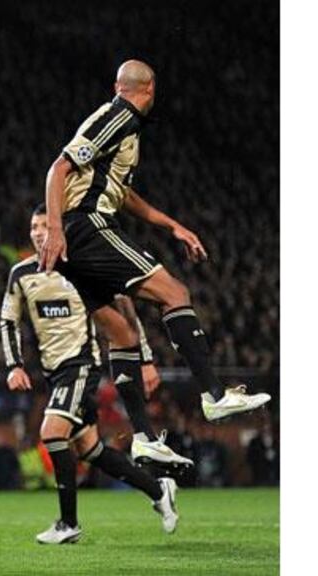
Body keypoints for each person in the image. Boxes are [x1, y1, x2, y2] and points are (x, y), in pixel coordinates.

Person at [40, 59, 270, 422]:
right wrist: (55, 227)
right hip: (86, 226)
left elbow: (124, 195)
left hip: (81, 232)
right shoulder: (120, 117)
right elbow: (59, 168)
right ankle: (214, 395)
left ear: (119, 86)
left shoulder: (125, 129)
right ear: (150, 90)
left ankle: (144, 439)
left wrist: (172, 226)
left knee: (122, 334)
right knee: (175, 293)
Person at [1, 206, 178, 544]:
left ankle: (68, 525)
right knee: (89, 449)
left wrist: (145, 359)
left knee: (52, 433)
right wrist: (14, 365)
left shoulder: (82, 268)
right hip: (54, 373)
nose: (38, 232)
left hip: (82, 364)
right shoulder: (21, 273)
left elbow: (125, 310)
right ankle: (158, 489)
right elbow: (8, 319)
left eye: (44, 225)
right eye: (33, 226)